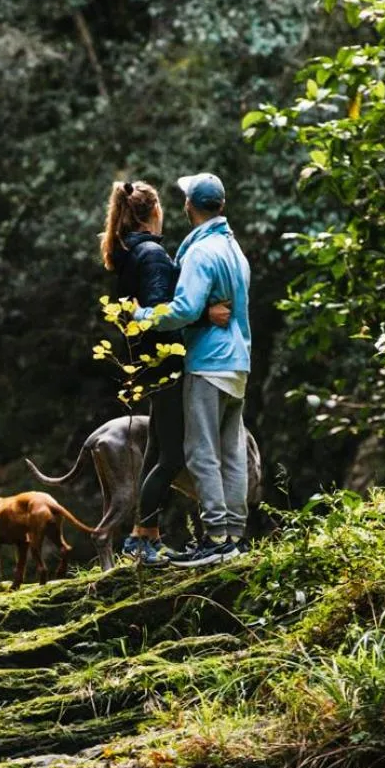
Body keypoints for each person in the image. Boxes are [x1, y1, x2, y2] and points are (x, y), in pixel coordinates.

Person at [100, 179, 230, 568]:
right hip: (164, 363)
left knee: (158, 447)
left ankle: (148, 535)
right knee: (173, 453)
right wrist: (206, 315)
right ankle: (140, 538)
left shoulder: (128, 251)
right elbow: (160, 313)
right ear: (153, 212)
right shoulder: (154, 254)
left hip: (145, 362)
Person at [133, 172, 251, 568]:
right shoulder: (234, 250)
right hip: (238, 363)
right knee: (232, 451)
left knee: (201, 453)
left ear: (189, 206)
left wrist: (143, 315)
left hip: (208, 362)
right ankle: (234, 536)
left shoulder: (201, 253)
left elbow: (183, 309)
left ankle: (215, 538)